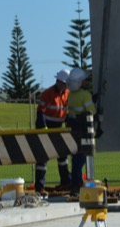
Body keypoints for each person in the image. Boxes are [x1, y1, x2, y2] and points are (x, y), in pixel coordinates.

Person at [34, 69, 71, 195]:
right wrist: (43, 127)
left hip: (59, 127)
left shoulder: (68, 94)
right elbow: (40, 112)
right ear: (59, 82)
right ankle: (39, 187)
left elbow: (68, 112)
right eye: (65, 83)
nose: (65, 86)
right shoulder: (47, 93)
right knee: (42, 158)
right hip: (47, 127)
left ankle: (66, 182)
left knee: (63, 157)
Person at [65, 67, 96, 198]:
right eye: (83, 80)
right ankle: (78, 185)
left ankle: (76, 184)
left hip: (73, 128)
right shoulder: (85, 95)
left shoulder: (71, 95)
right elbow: (92, 111)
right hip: (83, 129)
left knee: (76, 158)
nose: (85, 82)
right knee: (82, 157)